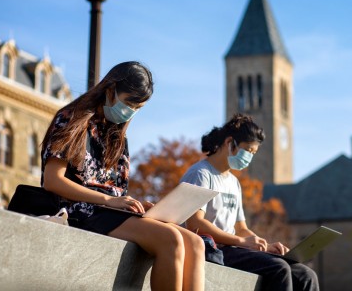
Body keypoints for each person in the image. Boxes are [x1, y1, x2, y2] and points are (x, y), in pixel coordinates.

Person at [40, 61, 205, 291]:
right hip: (78, 210)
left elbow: (117, 192)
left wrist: (136, 206)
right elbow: (52, 180)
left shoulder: (118, 136)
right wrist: (110, 201)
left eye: (138, 108)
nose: (131, 112)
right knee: (171, 240)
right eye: (129, 103)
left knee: (196, 244)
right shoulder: (71, 119)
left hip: (109, 212)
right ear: (110, 89)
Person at [180, 113, 319, 291]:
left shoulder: (233, 182)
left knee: (306, 275)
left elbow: (241, 228)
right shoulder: (201, 174)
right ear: (230, 142)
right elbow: (194, 223)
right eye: (248, 150)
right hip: (213, 250)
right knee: (279, 268)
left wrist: (263, 245)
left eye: (253, 153)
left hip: (235, 249)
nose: (249, 157)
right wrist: (240, 241)